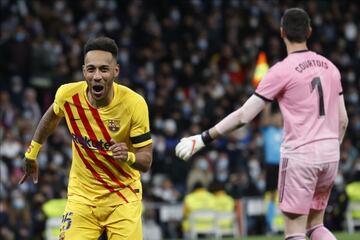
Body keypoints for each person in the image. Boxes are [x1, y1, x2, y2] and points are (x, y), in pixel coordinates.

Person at [176, 8, 348, 240]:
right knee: (316, 225)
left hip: (301, 156)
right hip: (330, 153)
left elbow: (244, 116)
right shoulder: (331, 68)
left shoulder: (281, 71)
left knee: (294, 229)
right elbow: (343, 120)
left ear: (281, 32)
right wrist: (331, 149)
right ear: (309, 31)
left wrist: (204, 137)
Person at [19, 36, 153, 240]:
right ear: (84, 71)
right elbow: (51, 117)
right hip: (82, 198)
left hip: (123, 197)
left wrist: (129, 156)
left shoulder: (134, 104)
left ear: (115, 71)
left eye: (104, 69)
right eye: (91, 69)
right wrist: (32, 153)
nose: (97, 76)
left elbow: (146, 159)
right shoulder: (68, 95)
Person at [260, 103, 283, 233]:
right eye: (276, 118)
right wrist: (268, 103)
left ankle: (286, 223)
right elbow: (264, 119)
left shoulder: (286, 130)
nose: (279, 120)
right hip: (272, 166)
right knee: (271, 195)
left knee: (287, 195)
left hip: (285, 165)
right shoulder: (267, 130)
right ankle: (269, 223)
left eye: (280, 118)